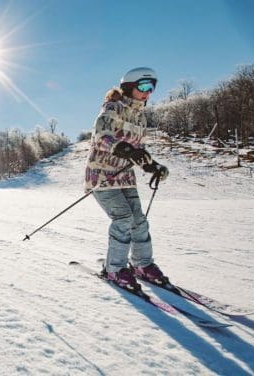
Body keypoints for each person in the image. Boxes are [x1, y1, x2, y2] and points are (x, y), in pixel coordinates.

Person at [84, 67, 169, 289]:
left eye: (152, 87)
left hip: (125, 177)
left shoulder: (140, 117)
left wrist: (152, 165)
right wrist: (127, 150)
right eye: (143, 87)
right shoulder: (112, 108)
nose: (148, 92)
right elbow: (101, 137)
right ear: (129, 87)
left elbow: (139, 149)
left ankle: (142, 265)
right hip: (101, 175)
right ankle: (115, 269)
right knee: (123, 219)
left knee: (138, 220)